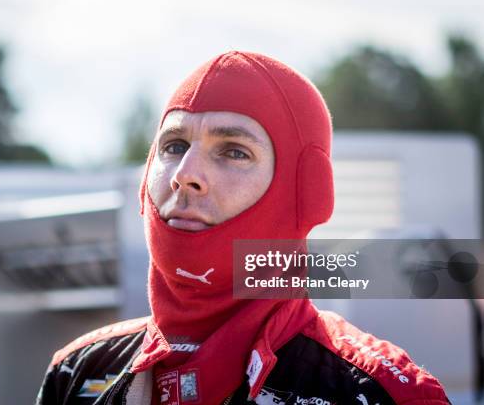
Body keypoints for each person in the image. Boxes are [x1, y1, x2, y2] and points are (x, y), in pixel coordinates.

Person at [35, 51, 450, 404]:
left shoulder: (381, 392)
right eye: (174, 146)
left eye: (233, 151)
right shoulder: (77, 373)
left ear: (305, 193)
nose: (185, 174)